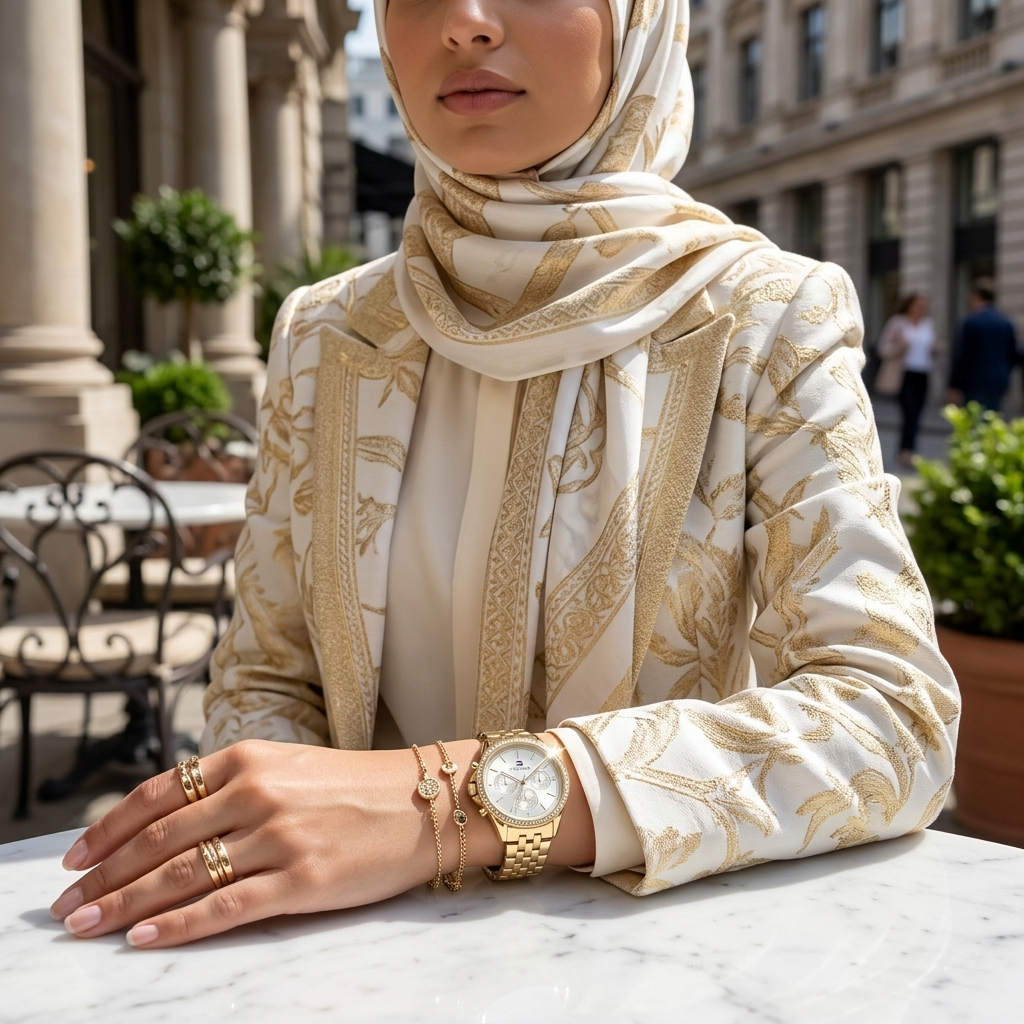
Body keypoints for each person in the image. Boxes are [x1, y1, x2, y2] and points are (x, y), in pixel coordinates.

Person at [50, 0, 958, 949]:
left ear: (641, 21)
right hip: (349, 966)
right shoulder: (326, 333)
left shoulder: (769, 317)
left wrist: (441, 809)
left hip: (657, 965)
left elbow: (893, 720)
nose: (466, 24)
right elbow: (268, 673)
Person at [876, 294, 937, 467]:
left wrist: (936, 347)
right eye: (917, 305)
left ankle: (909, 450)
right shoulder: (898, 322)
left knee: (917, 415)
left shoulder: (928, 324)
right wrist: (899, 347)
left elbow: (933, 346)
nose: (920, 309)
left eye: (923, 306)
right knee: (909, 413)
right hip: (904, 375)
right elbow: (883, 349)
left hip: (923, 374)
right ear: (909, 305)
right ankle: (906, 452)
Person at [948, 278, 1020, 411]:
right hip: (999, 381)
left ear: (976, 296)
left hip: (974, 383)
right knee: (992, 420)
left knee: (975, 423)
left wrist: (955, 385)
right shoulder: (1006, 323)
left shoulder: (971, 322)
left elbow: (961, 356)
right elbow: (1014, 355)